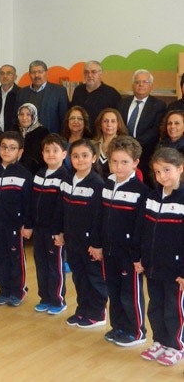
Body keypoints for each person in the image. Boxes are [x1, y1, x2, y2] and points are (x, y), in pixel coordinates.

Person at [133, 148, 184, 366]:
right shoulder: (151, 197)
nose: (162, 176)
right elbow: (140, 230)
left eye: (167, 170)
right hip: (152, 266)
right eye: (157, 172)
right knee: (155, 306)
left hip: (175, 270)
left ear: (180, 168)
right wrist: (138, 257)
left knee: (174, 308)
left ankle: (176, 345)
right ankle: (160, 341)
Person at [101, 136, 149, 347]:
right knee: (114, 290)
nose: (118, 166)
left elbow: (140, 228)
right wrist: (98, 243)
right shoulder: (106, 185)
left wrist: (137, 255)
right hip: (109, 250)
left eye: (124, 162)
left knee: (130, 293)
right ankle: (118, 326)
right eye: (114, 161)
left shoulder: (141, 192)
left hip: (129, 254)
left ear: (135, 162)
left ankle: (136, 331)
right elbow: (100, 217)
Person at [55, 139, 107, 328]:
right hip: (72, 239)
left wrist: (96, 243)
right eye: (75, 156)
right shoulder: (67, 180)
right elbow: (60, 209)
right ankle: (82, 310)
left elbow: (98, 217)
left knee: (93, 277)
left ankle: (97, 313)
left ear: (94, 158)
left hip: (89, 242)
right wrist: (59, 231)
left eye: (85, 155)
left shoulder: (97, 184)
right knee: (78, 276)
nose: (80, 159)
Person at [0, 131, 32, 307]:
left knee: (15, 257)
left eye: (12, 148)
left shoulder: (24, 175)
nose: (7, 151)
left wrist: (27, 224)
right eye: (4, 147)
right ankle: (4, 289)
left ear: (20, 151)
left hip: (15, 225)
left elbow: (28, 203)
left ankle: (18, 290)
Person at [31, 134, 69, 315]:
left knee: (55, 266)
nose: (51, 154)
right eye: (47, 150)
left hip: (54, 231)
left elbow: (62, 208)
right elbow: (32, 201)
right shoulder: (39, 174)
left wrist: (59, 231)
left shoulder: (66, 177)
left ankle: (57, 299)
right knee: (41, 264)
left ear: (64, 154)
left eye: (55, 150)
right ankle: (44, 297)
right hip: (39, 229)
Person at [115, 69, 167, 182]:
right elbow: (118, 126)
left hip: (146, 154)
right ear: (132, 85)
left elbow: (155, 130)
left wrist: (133, 145)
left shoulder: (159, 105)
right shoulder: (122, 104)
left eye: (145, 82)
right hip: (122, 152)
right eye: (137, 82)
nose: (141, 84)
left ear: (151, 85)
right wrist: (125, 145)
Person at [15, 60, 69, 134]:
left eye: (40, 72)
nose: (36, 75)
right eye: (33, 72)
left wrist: (60, 138)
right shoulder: (22, 93)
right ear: (29, 74)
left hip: (51, 137)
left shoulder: (59, 91)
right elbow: (16, 118)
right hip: (27, 137)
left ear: (46, 73)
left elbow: (65, 119)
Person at [70, 61, 121, 131]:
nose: (89, 75)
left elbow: (117, 120)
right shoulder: (78, 90)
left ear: (100, 75)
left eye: (93, 72)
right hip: (79, 133)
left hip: (100, 135)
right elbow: (71, 112)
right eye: (86, 72)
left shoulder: (112, 94)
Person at [92, 108, 128, 180]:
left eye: (113, 121)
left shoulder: (125, 145)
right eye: (105, 121)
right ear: (100, 124)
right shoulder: (91, 144)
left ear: (118, 124)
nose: (109, 124)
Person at [15, 103, 50, 175]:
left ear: (34, 116)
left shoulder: (43, 132)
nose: (24, 117)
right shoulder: (14, 130)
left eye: (28, 114)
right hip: (14, 169)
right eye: (21, 114)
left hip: (35, 171)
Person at [61, 106, 92, 171]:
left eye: (80, 119)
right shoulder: (61, 142)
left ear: (85, 122)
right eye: (72, 118)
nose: (75, 121)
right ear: (67, 122)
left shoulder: (91, 142)